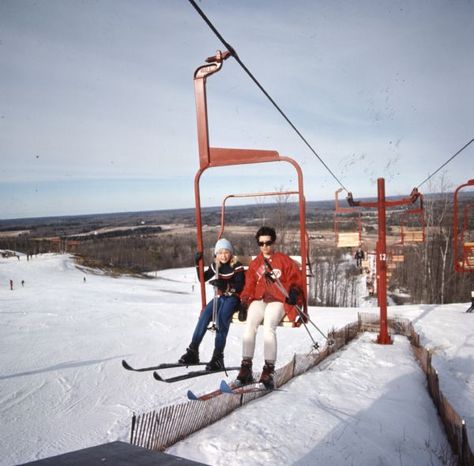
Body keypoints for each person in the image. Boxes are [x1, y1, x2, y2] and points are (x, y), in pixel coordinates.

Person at [235, 226, 304, 388]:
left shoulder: (283, 260)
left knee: (268, 327)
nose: (265, 246)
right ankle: (246, 367)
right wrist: (244, 302)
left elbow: (296, 279)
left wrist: (294, 291)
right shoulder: (256, 264)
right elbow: (249, 285)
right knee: (250, 326)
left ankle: (269, 370)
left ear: (273, 242)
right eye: (261, 243)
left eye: (268, 242)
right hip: (260, 299)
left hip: (278, 300)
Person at [179, 238, 245, 371]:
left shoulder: (236, 265)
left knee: (221, 318)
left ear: (231, 253)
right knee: (204, 315)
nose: (223, 256)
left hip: (233, 298)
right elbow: (202, 278)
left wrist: (226, 286)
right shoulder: (216, 265)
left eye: (226, 252)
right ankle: (193, 350)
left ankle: (217, 356)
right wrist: (198, 264)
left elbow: (240, 285)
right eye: (220, 253)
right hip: (220, 298)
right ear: (216, 254)